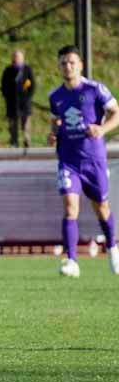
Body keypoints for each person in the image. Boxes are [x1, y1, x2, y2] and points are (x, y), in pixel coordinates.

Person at [47, 45, 119, 277]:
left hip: (93, 159)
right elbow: (55, 121)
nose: (67, 66)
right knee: (70, 206)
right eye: (63, 63)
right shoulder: (55, 96)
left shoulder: (95, 89)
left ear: (80, 65)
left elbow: (116, 112)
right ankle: (71, 260)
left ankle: (112, 248)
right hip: (68, 160)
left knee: (102, 208)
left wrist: (103, 128)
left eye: (71, 62)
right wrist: (53, 133)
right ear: (59, 66)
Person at [0, 49, 36, 148]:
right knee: (12, 124)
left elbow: (32, 85)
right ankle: (13, 141)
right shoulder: (8, 70)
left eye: (18, 57)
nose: (16, 59)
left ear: (23, 58)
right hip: (12, 102)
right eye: (15, 57)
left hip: (25, 102)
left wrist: (27, 97)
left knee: (26, 124)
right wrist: (7, 96)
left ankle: (27, 141)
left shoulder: (27, 69)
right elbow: (3, 85)